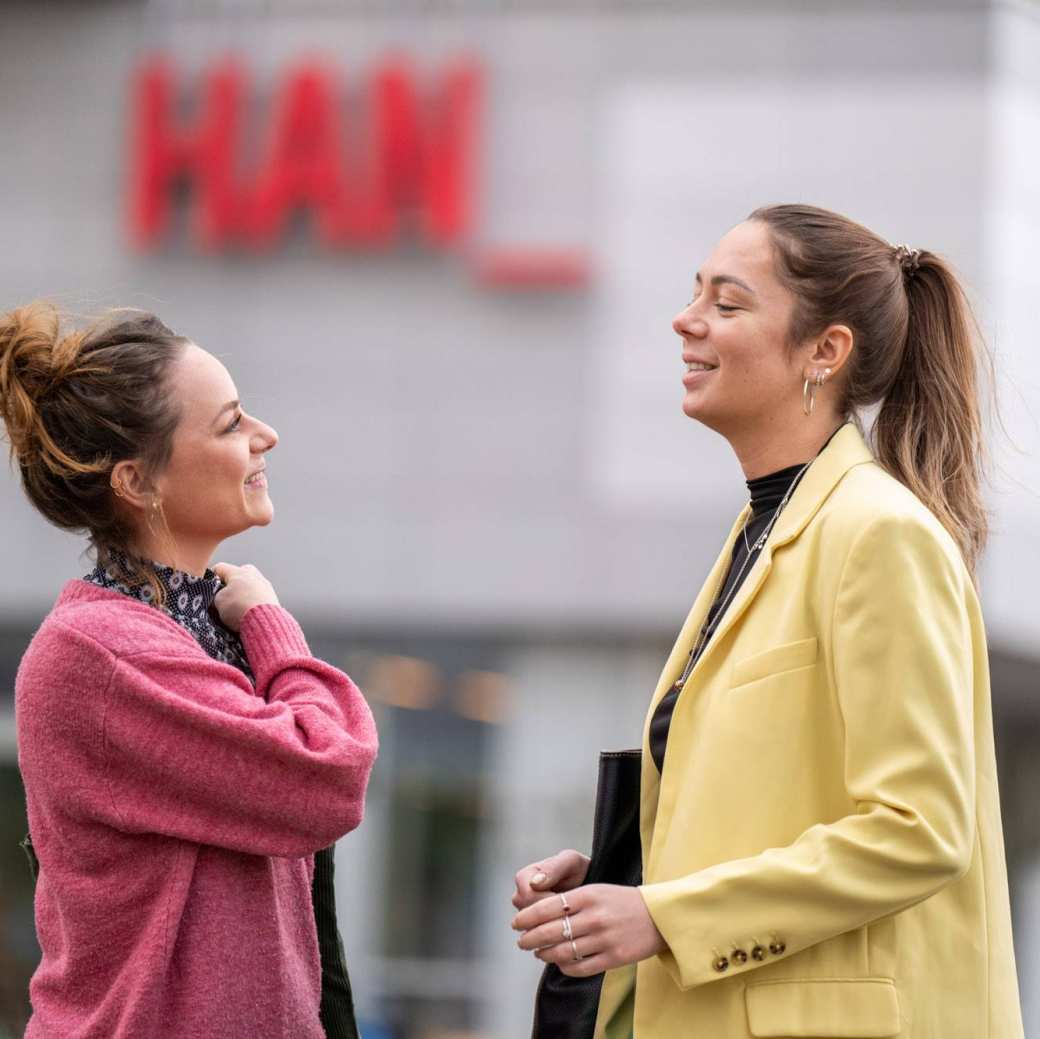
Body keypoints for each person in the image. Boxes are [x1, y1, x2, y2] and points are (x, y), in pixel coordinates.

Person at [511, 205, 1024, 1037]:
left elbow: (921, 829)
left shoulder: (878, 534)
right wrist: (624, 876)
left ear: (826, 351)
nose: (686, 319)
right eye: (693, 295)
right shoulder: (765, 531)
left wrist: (665, 914)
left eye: (727, 302)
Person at [1, 303, 379, 1039]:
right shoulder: (99, 654)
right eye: (232, 424)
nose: (266, 436)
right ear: (138, 482)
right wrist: (275, 626)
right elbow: (330, 771)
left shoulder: (201, 630)